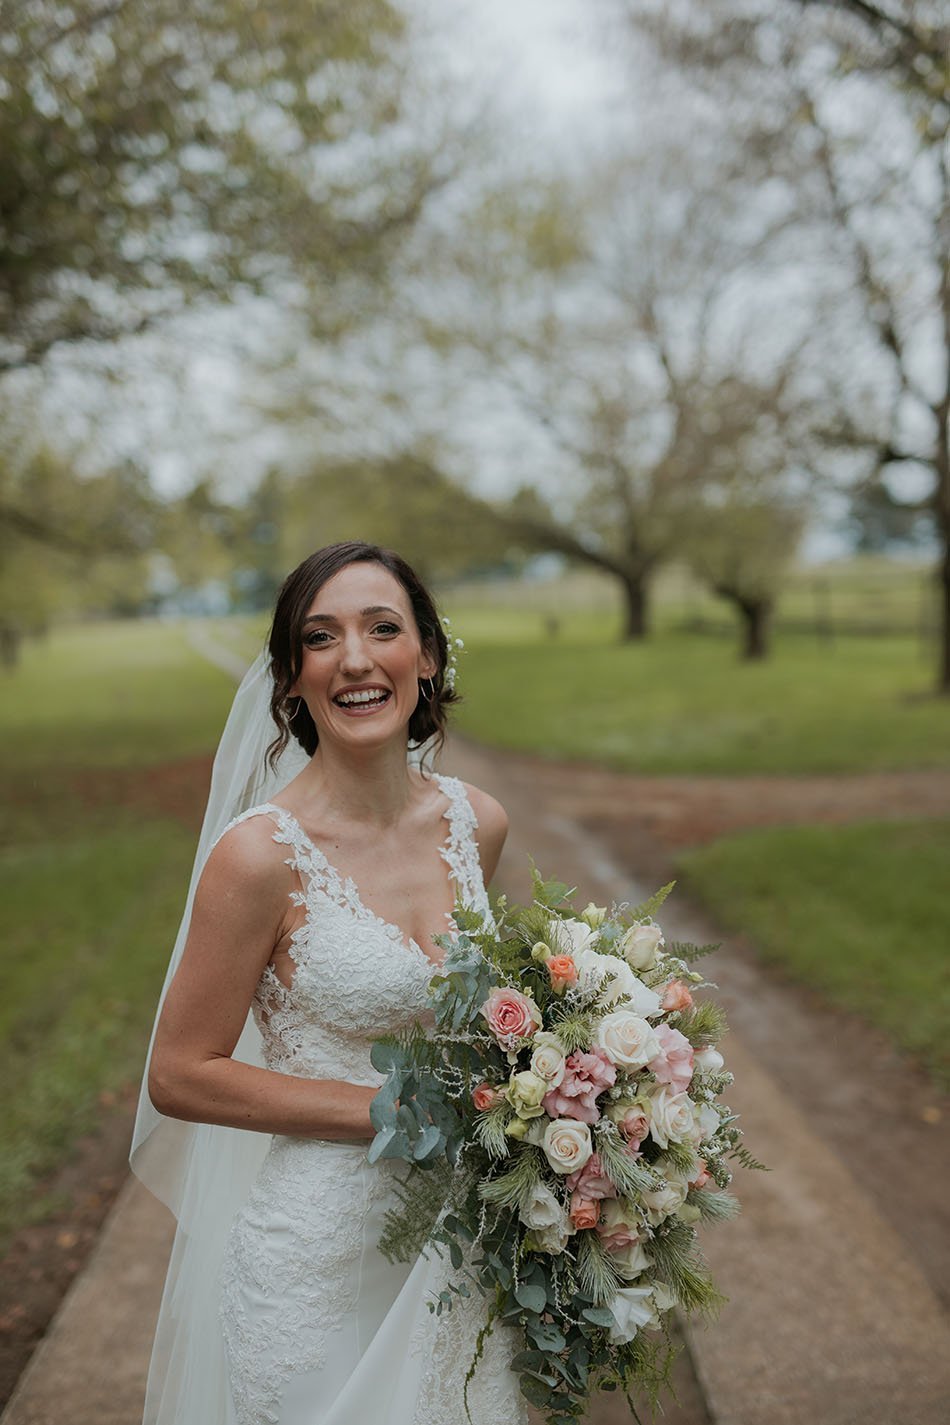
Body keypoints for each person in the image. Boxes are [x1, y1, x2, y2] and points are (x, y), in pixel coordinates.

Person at [130, 541, 527, 1425]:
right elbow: (179, 1071)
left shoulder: (478, 823)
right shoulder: (258, 856)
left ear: (426, 656)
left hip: (460, 1256)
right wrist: (398, 1113)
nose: (355, 658)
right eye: (321, 638)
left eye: (382, 628)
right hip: (317, 1267)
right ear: (291, 680)